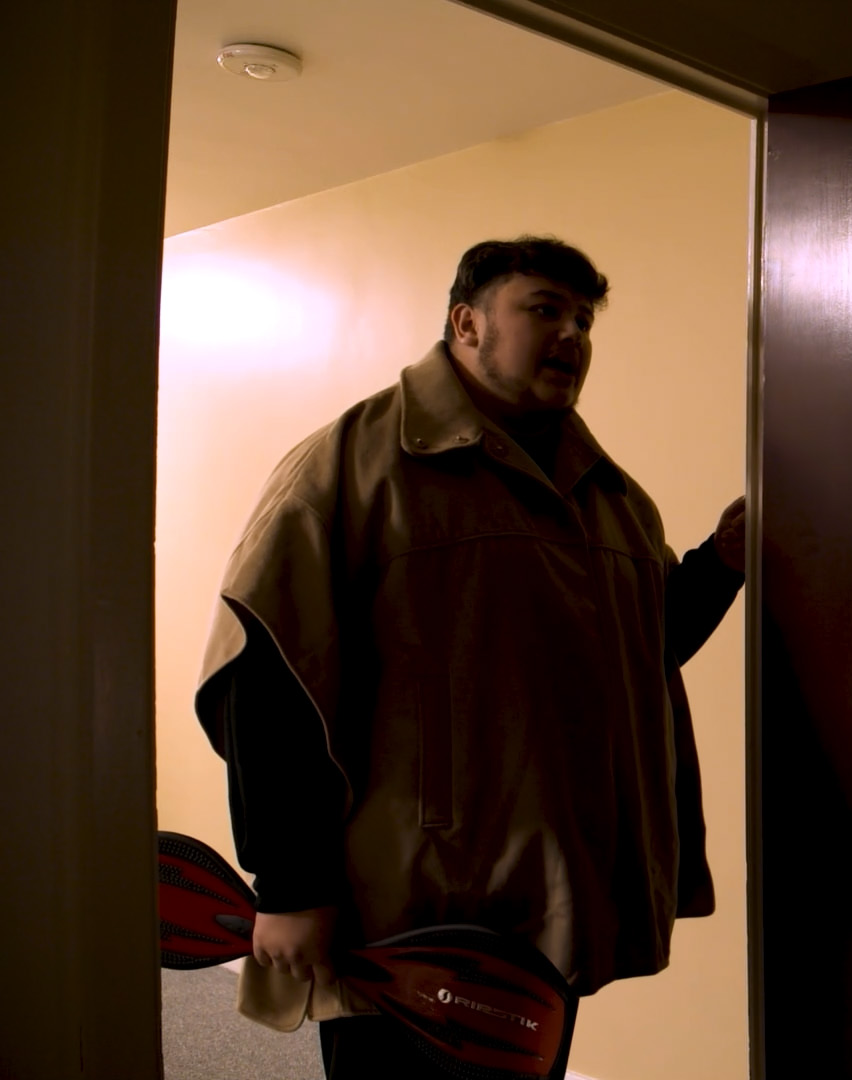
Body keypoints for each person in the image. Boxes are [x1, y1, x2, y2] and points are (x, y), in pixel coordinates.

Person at [193, 236, 746, 1076]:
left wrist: (721, 563)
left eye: (584, 319)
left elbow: (645, 645)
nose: (572, 335)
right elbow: (268, 678)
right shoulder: (351, 466)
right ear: (467, 323)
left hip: (554, 899)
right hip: (413, 911)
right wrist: (293, 886)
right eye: (544, 309)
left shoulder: (610, 495)